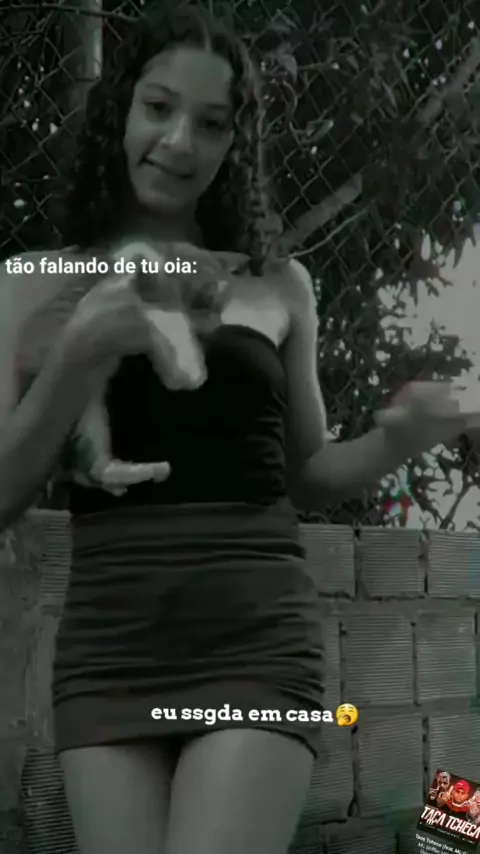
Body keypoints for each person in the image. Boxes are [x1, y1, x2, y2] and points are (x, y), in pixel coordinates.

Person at [0, 7, 475, 854]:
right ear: (120, 111)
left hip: (252, 635)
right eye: (159, 107)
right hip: (110, 643)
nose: (180, 142)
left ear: (234, 144)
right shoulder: (35, 283)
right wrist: (79, 353)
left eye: (212, 124)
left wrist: (401, 438)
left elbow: (306, 474)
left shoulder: (278, 284)